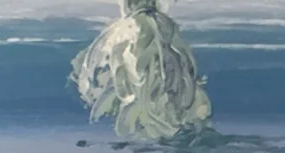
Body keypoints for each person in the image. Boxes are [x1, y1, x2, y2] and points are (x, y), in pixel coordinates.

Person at [72, 0, 213, 142]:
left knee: (148, 102)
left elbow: (120, 58)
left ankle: (157, 130)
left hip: (147, 75)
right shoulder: (163, 24)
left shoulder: (129, 27)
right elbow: (183, 54)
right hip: (157, 74)